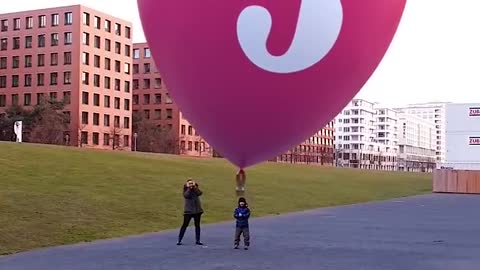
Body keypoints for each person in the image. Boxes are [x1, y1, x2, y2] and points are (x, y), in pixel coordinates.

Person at [177, 178, 204, 246]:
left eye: (192, 183)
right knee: (184, 225)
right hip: (188, 211)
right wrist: (189, 188)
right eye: (189, 183)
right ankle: (179, 239)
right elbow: (186, 195)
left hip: (197, 211)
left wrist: (194, 187)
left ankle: (198, 240)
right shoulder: (185, 190)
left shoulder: (195, 189)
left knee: (197, 225)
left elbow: (199, 193)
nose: (191, 184)